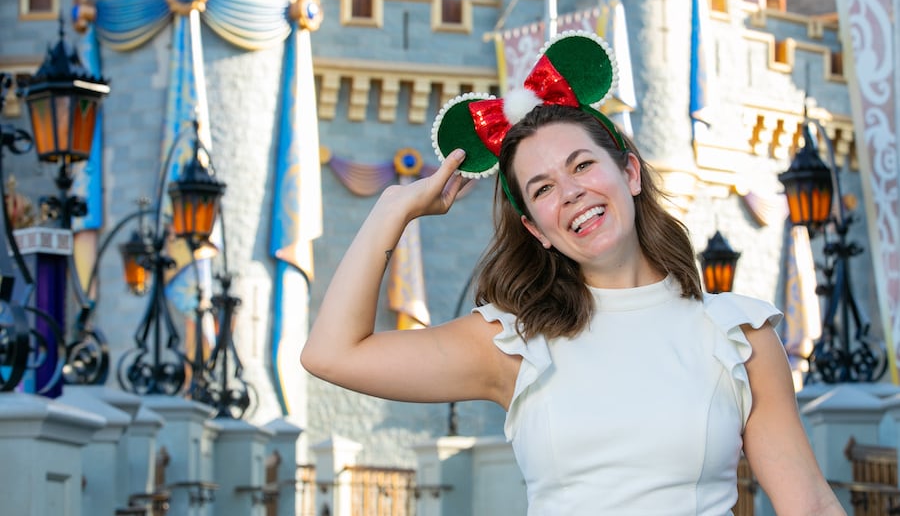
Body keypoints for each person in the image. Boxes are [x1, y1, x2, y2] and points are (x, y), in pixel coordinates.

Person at [301, 32, 844, 515]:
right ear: (535, 228)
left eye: (582, 165)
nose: (570, 192)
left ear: (630, 172)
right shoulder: (513, 344)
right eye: (542, 188)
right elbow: (332, 354)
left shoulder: (738, 337)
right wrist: (392, 209)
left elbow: (811, 505)